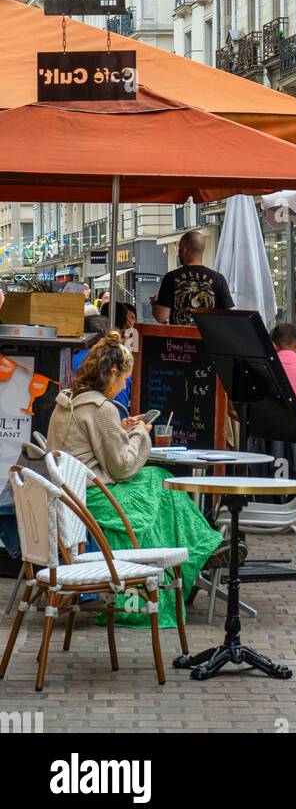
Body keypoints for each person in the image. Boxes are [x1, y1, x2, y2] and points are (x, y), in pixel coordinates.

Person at [47, 330, 223, 627]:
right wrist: (141, 433)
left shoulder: (69, 402)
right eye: (124, 379)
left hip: (73, 494)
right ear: (112, 373)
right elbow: (122, 466)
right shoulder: (101, 409)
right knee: (163, 482)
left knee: (158, 481)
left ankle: (200, 546)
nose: (124, 384)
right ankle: (200, 547)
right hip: (95, 496)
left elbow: (97, 447)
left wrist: (122, 428)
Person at [150, 229, 233, 326]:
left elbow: (161, 316)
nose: (178, 253)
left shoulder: (171, 277)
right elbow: (227, 317)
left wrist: (154, 304)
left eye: (179, 248)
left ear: (184, 250)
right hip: (209, 339)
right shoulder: (218, 279)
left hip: (180, 340)